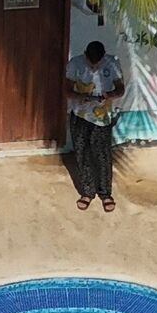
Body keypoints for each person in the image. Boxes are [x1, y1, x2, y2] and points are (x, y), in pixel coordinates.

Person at [66, 33, 126, 211]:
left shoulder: (112, 63)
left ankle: (105, 193)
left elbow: (121, 89)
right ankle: (87, 191)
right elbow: (67, 90)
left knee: (103, 156)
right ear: (85, 54)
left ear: (103, 56)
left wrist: (110, 95)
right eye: (91, 61)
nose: (94, 65)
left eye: (97, 61)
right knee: (82, 154)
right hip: (80, 116)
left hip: (102, 117)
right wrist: (80, 96)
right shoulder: (75, 64)